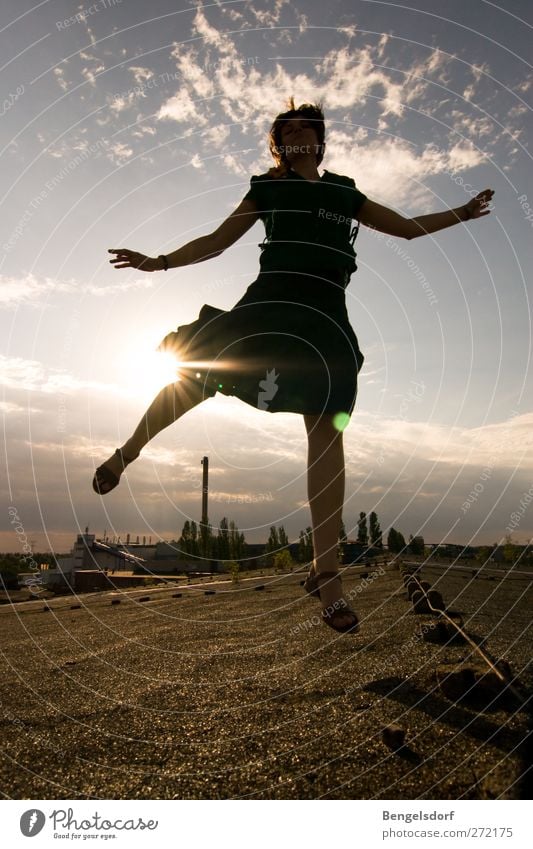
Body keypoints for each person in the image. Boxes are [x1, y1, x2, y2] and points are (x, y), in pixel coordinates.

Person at [92, 96, 494, 634]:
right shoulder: (267, 187)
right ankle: (127, 452)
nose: (293, 133)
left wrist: (463, 214)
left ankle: (326, 576)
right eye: (284, 130)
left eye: (302, 126)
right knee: (197, 367)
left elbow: (407, 228)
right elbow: (215, 241)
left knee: (330, 427)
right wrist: (158, 261)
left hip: (324, 315)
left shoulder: (343, 191)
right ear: (279, 144)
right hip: (270, 302)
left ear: (318, 138)